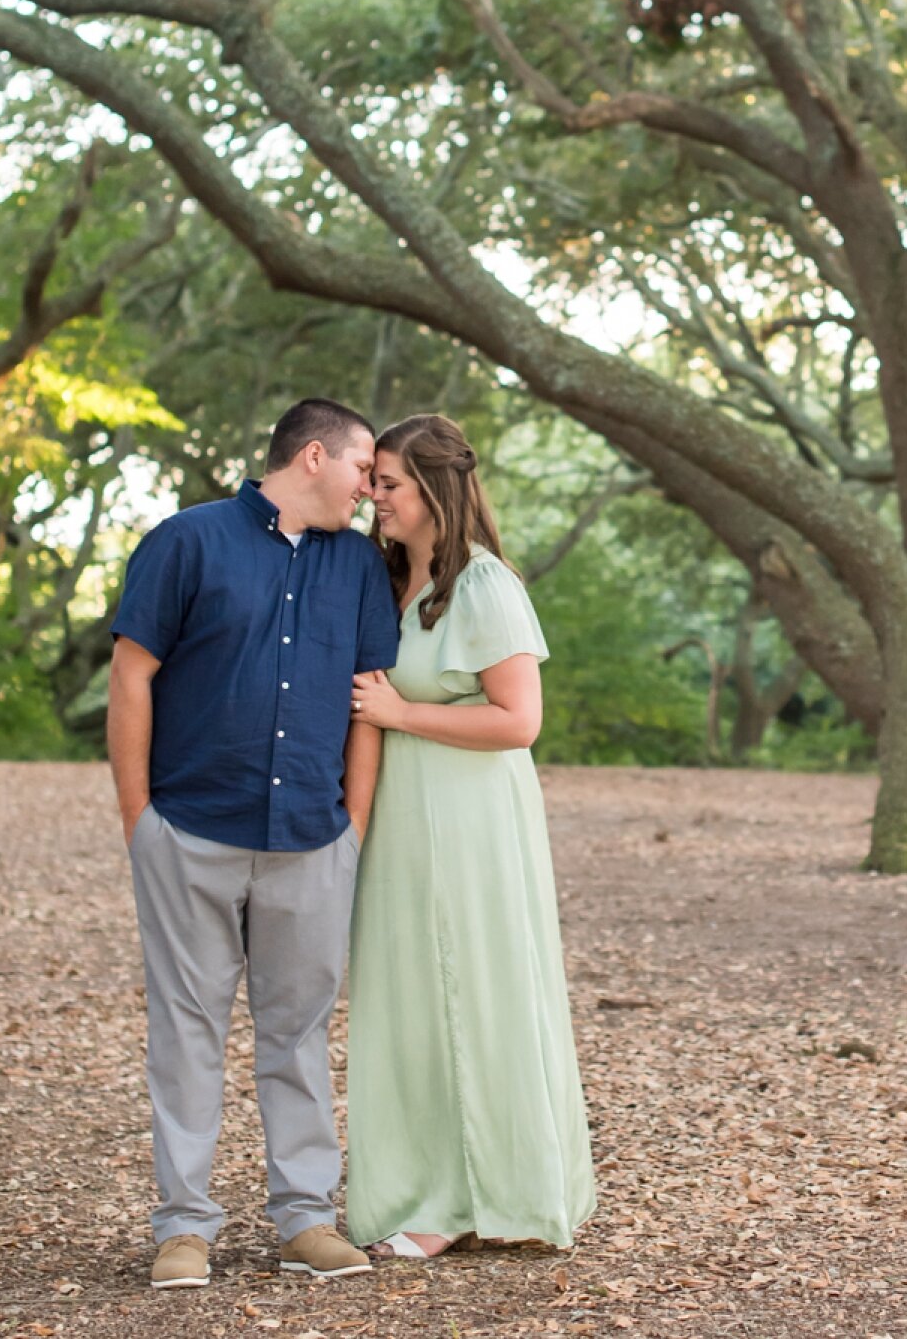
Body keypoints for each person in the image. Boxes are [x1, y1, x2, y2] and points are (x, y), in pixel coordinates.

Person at [107, 397, 400, 1290]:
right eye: (363, 472)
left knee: (299, 1033)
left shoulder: (357, 566)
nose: (371, 491)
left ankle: (305, 1217)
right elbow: (132, 675)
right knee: (187, 1034)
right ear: (315, 457)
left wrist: (352, 826)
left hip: (312, 839)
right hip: (189, 830)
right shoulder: (184, 541)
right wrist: (139, 821)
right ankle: (183, 1227)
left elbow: (368, 695)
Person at [344, 412, 596, 1258]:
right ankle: (426, 1181)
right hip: (405, 821)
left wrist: (400, 710)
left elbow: (520, 720)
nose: (371, 496)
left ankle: (468, 1197)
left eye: (388, 483)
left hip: (472, 821)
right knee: (412, 997)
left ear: (435, 489)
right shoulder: (386, 580)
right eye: (372, 480)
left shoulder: (485, 584)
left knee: (471, 989)